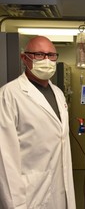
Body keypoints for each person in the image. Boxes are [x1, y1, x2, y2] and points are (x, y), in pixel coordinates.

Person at [0, 36, 76, 209]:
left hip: (60, 188)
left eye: (51, 55)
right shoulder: (9, 95)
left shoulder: (58, 93)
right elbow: (5, 160)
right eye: (39, 55)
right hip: (30, 195)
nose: (47, 60)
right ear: (24, 58)